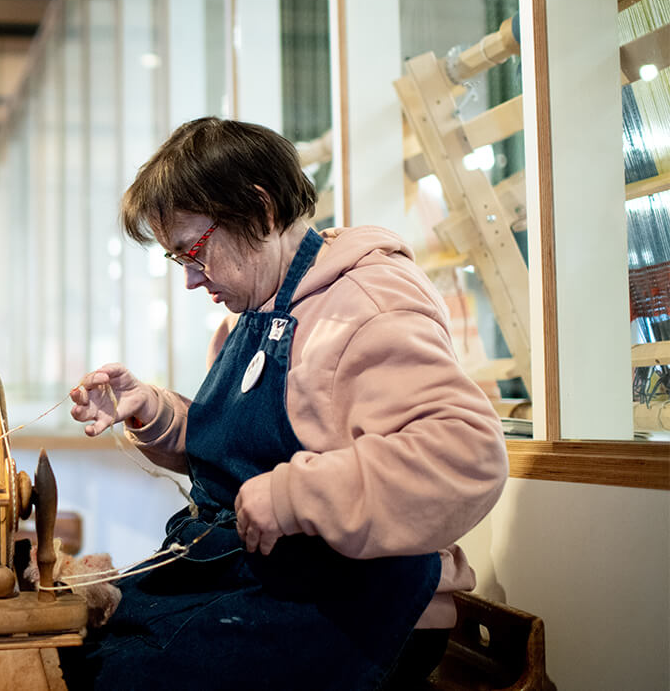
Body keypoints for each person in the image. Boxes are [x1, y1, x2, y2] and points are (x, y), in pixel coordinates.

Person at [65, 117, 508, 690]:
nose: (192, 282)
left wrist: (296, 494)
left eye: (193, 251)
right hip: (250, 581)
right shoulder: (252, 316)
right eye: (179, 261)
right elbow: (234, 458)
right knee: (75, 651)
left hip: (355, 614)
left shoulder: (366, 307)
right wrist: (152, 410)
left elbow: (465, 454)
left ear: (261, 209)